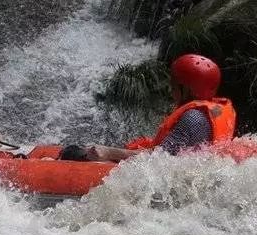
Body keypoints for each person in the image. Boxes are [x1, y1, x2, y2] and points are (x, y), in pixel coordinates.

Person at [60, 53, 236, 162]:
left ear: (184, 89)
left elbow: (158, 159)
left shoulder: (193, 118)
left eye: (174, 84)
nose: (170, 88)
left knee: (78, 155)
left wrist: (108, 152)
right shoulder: (217, 109)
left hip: (171, 171)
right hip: (194, 165)